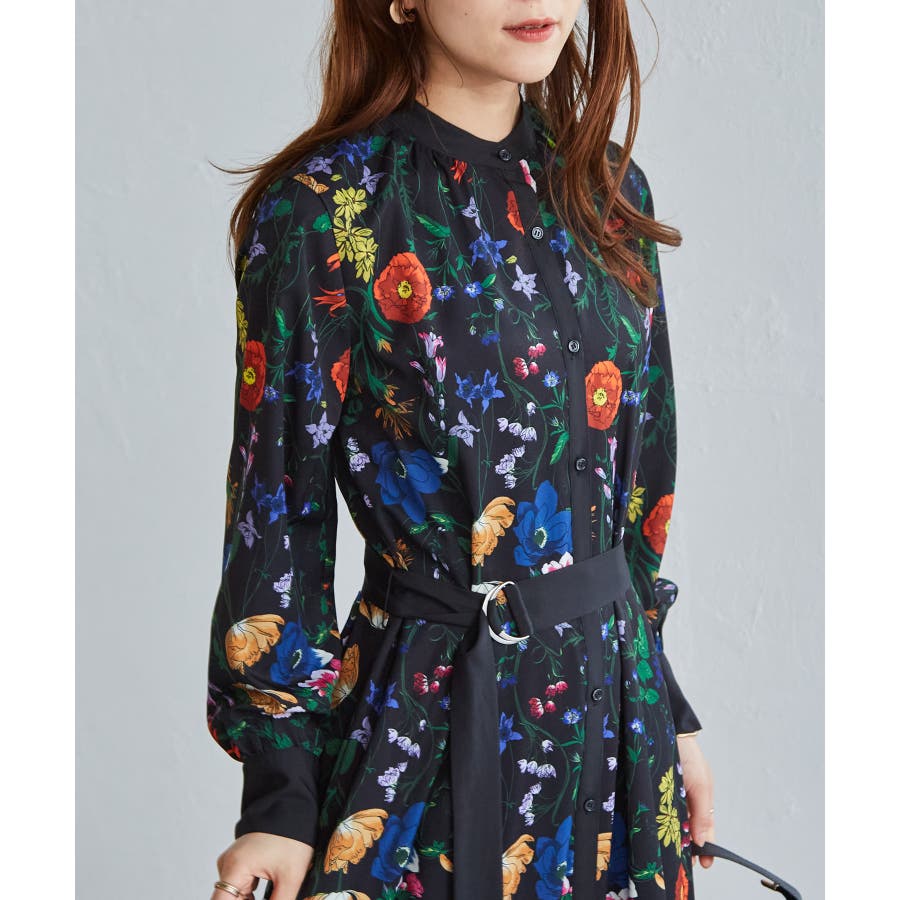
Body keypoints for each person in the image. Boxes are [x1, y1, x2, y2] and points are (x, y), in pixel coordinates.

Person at [205, 2, 716, 898]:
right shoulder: (328, 208)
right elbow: (276, 515)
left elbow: (640, 486)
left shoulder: (609, 190)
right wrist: (279, 802)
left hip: (616, 734)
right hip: (431, 728)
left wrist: (669, 710)